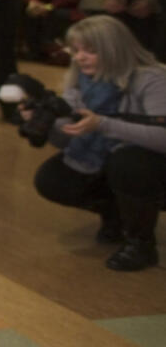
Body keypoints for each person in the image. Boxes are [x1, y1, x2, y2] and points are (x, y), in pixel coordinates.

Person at [30, 15, 166, 271]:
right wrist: (46, 122)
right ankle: (117, 214)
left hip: (152, 164)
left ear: (114, 50)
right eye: (76, 50)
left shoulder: (152, 78)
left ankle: (141, 244)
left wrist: (103, 124)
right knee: (52, 178)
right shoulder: (82, 80)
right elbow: (64, 141)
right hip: (108, 160)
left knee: (128, 161)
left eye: (91, 51)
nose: (80, 57)